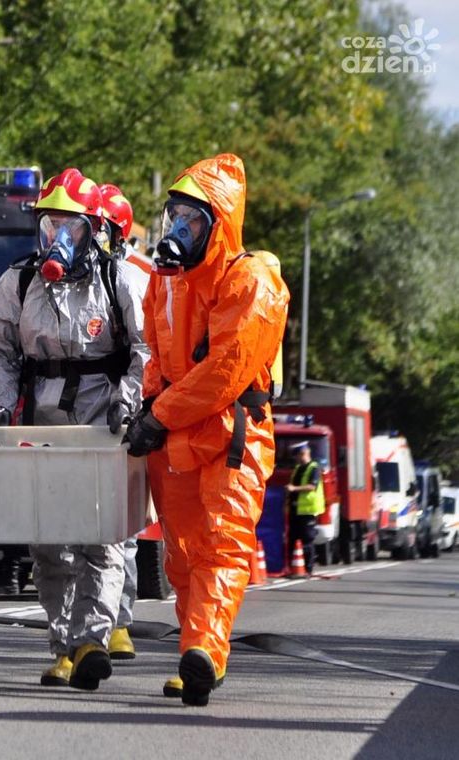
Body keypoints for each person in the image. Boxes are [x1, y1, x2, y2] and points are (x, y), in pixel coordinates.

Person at [0, 168, 149, 691]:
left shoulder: (119, 281)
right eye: (50, 227)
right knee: (49, 544)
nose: (58, 239)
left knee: (102, 537)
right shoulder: (20, 282)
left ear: (93, 230)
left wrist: (127, 401)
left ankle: (93, 640)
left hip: (101, 425)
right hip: (41, 427)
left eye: (70, 228)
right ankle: (64, 646)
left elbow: (148, 347)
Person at [123, 153, 290, 706]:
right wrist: (148, 404)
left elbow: (225, 371)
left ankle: (202, 651)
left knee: (222, 547)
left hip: (232, 435)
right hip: (176, 437)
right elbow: (155, 353)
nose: (177, 230)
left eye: (191, 220)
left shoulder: (252, 280)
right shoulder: (164, 282)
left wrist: (159, 414)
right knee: (182, 556)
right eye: (174, 216)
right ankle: (199, 654)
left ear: (219, 223)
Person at [98, 182, 145, 662]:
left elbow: (148, 348)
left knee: (121, 527)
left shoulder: (131, 277)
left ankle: (120, 621)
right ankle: (89, 620)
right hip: (82, 414)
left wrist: (130, 402)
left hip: (123, 415)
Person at [286, 441, 325, 574]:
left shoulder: (314, 468)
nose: (296, 458)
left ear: (304, 453)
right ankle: (295, 567)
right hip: (295, 510)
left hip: (307, 511)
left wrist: (293, 488)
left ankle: (308, 569)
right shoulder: (298, 469)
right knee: (293, 539)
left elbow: (312, 487)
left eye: (297, 455)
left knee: (307, 540)